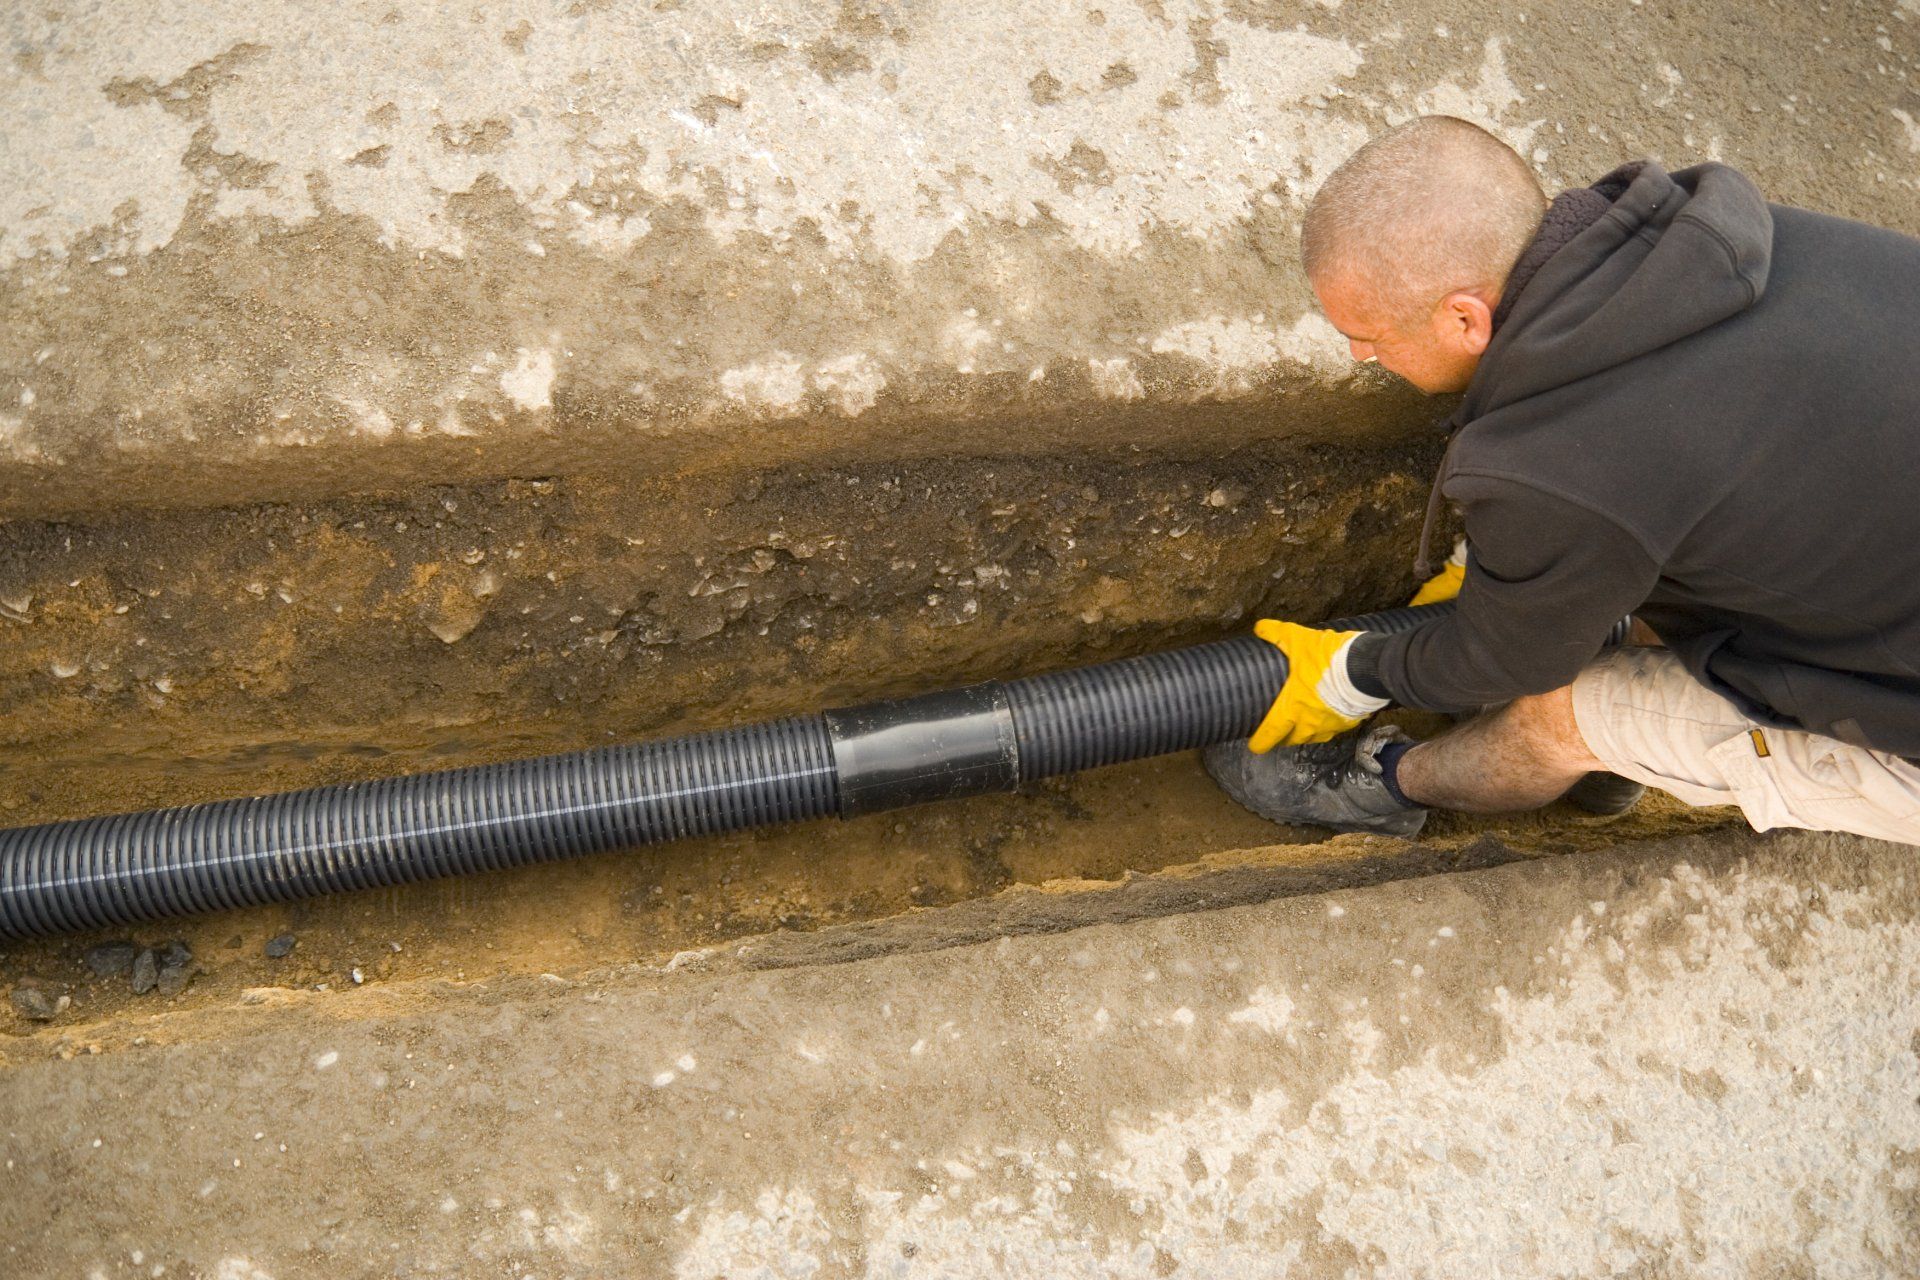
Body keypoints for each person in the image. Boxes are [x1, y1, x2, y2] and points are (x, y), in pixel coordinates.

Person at [1204, 115, 1920, 846]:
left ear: (1464, 319)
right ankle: (1624, 765)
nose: (1360, 355)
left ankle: (1387, 783)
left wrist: (1354, 674)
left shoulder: (1570, 462)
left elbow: (1506, 661)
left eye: (1369, 337)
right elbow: (1678, 469)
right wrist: (1507, 566)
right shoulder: (1718, 247)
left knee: (1557, 712)